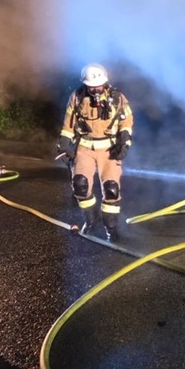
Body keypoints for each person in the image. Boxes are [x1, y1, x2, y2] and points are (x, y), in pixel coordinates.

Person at [56, 63, 134, 242]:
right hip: (85, 148)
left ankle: (111, 228)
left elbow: (127, 121)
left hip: (109, 149)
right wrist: (64, 145)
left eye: (98, 85)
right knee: (80, 185)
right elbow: (68, 124)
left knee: (112, 189)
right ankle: (91, 220)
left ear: (105, 82)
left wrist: (124, 142)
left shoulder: (117, 98)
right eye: (91, 87)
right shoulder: (77, 97)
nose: (95, 89)